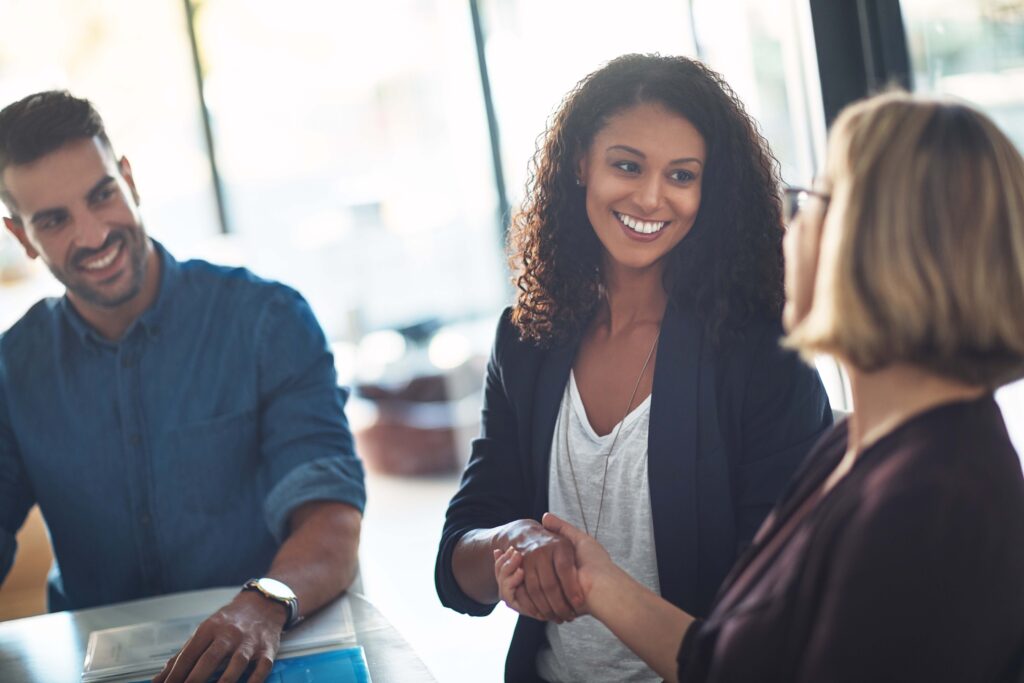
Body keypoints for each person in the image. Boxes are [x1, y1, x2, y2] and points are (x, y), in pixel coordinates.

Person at [498, 91, 1024, 682]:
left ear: (882, 247)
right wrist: (596, 581)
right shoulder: (864, 448)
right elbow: (736, 661)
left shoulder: (933, 499)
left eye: (810, 204)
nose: (785, 230)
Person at [436, 54, 832, 682]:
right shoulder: (526, 339)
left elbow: (778, 620)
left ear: (711, 189)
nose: (651, 197)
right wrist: (511, 541)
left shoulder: (761, 358)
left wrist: (599, 583)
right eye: (627, 165)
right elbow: (458, 562)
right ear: (579, 166)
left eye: (682, 174)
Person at [0, 91, 366, 683]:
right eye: (55, 220)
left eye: (101, 195)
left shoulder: (267, 321)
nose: (94, 236)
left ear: (128, 179)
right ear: (22, 236)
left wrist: (261, 603)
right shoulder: (12, 370)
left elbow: (331, 518)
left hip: (268, 647)